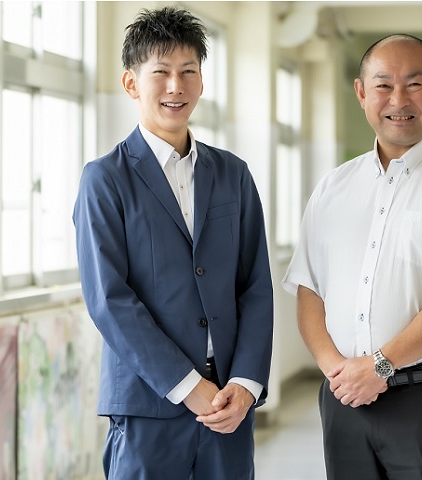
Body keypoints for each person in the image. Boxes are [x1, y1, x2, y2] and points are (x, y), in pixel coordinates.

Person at [282, 34, 422, 480]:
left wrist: (380, 366)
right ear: (361, 93)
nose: (398, 100)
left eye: (414, 84)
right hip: (345, 401)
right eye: (383, 85)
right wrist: (339, 374)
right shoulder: (333, 188)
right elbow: (309, 290)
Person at [73, 7, 274, 480]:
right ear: (130, 84)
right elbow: (110, 299)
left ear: (202, 82)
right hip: (150, 402)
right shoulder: (105, 180)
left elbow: (256, 286)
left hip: (229, 404)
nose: (175, 87)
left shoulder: (233, 174)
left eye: (188, 72)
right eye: (160, 73)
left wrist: (244, 384)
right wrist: (187, 386)